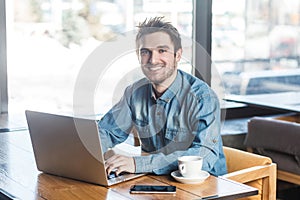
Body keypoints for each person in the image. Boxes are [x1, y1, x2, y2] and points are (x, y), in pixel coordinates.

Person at [98, 16, 227, 177]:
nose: (153, 60)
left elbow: (204, 156)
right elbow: (107, 132)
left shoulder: (203, 97)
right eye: (145, 52)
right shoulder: (134, 92)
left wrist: (138, 164)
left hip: (206, 187)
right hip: (157, 182)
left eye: (162, 51)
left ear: (178, 55)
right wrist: (77, 152)